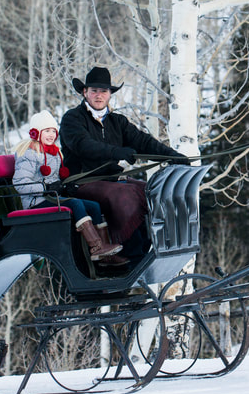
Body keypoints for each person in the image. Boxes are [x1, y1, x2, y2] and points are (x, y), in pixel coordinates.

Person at [59, 66, 189, 257]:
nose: (98, 95)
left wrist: (172, 155)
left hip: (111, 180)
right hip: (81, 182)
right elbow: (83, 145)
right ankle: (129, 253)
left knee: (150, 190)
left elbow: (143, 142)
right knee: (123, 196)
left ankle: (150, 246)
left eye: (103, 91)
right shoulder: (72, 119)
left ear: (110, 94)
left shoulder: (117, 122)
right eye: (94, 90)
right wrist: (116, 152)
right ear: (84, 92)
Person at [13, 111, 126, 264]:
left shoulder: (54, 153)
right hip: (36, 201)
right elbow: (19, 183)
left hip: (52, 195)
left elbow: (56, 178)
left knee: (94, 206)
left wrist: (65, 186)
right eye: (47, 131)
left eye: (54, 131)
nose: (51, 135)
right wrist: (45, 186)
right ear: (36, 132)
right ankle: (96, 247)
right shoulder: (29, 154)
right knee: (75, 203)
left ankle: (106, 253)